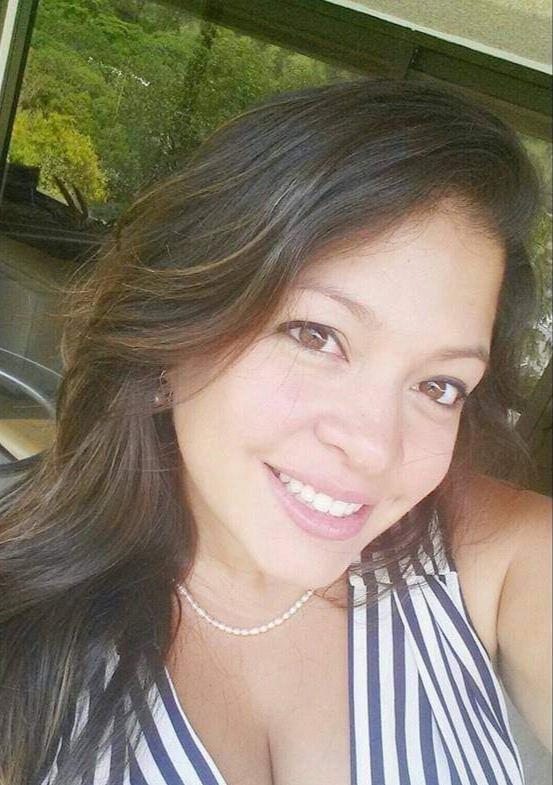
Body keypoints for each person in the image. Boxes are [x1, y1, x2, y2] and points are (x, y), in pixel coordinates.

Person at [0, 78, 551, 785]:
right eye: (315, 335)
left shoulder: (486, 560)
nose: (374, 448)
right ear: (172, 333)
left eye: (438, 386)